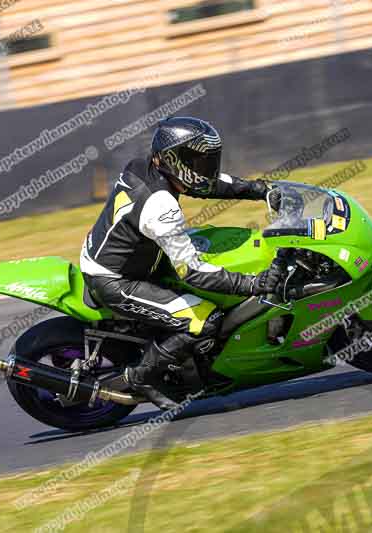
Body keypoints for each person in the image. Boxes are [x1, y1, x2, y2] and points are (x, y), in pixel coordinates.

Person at [80, 117, 283, 410]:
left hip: (133, 256)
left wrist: (259, 189)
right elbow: (194, 273)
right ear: (173, 160)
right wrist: (255, 284)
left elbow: (208, 184)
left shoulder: (144, 166)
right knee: (203, 319)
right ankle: (141, 377)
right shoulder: (161, 207)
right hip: (115, 279)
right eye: (198, 162)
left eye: (208, 161)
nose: (206, 169)